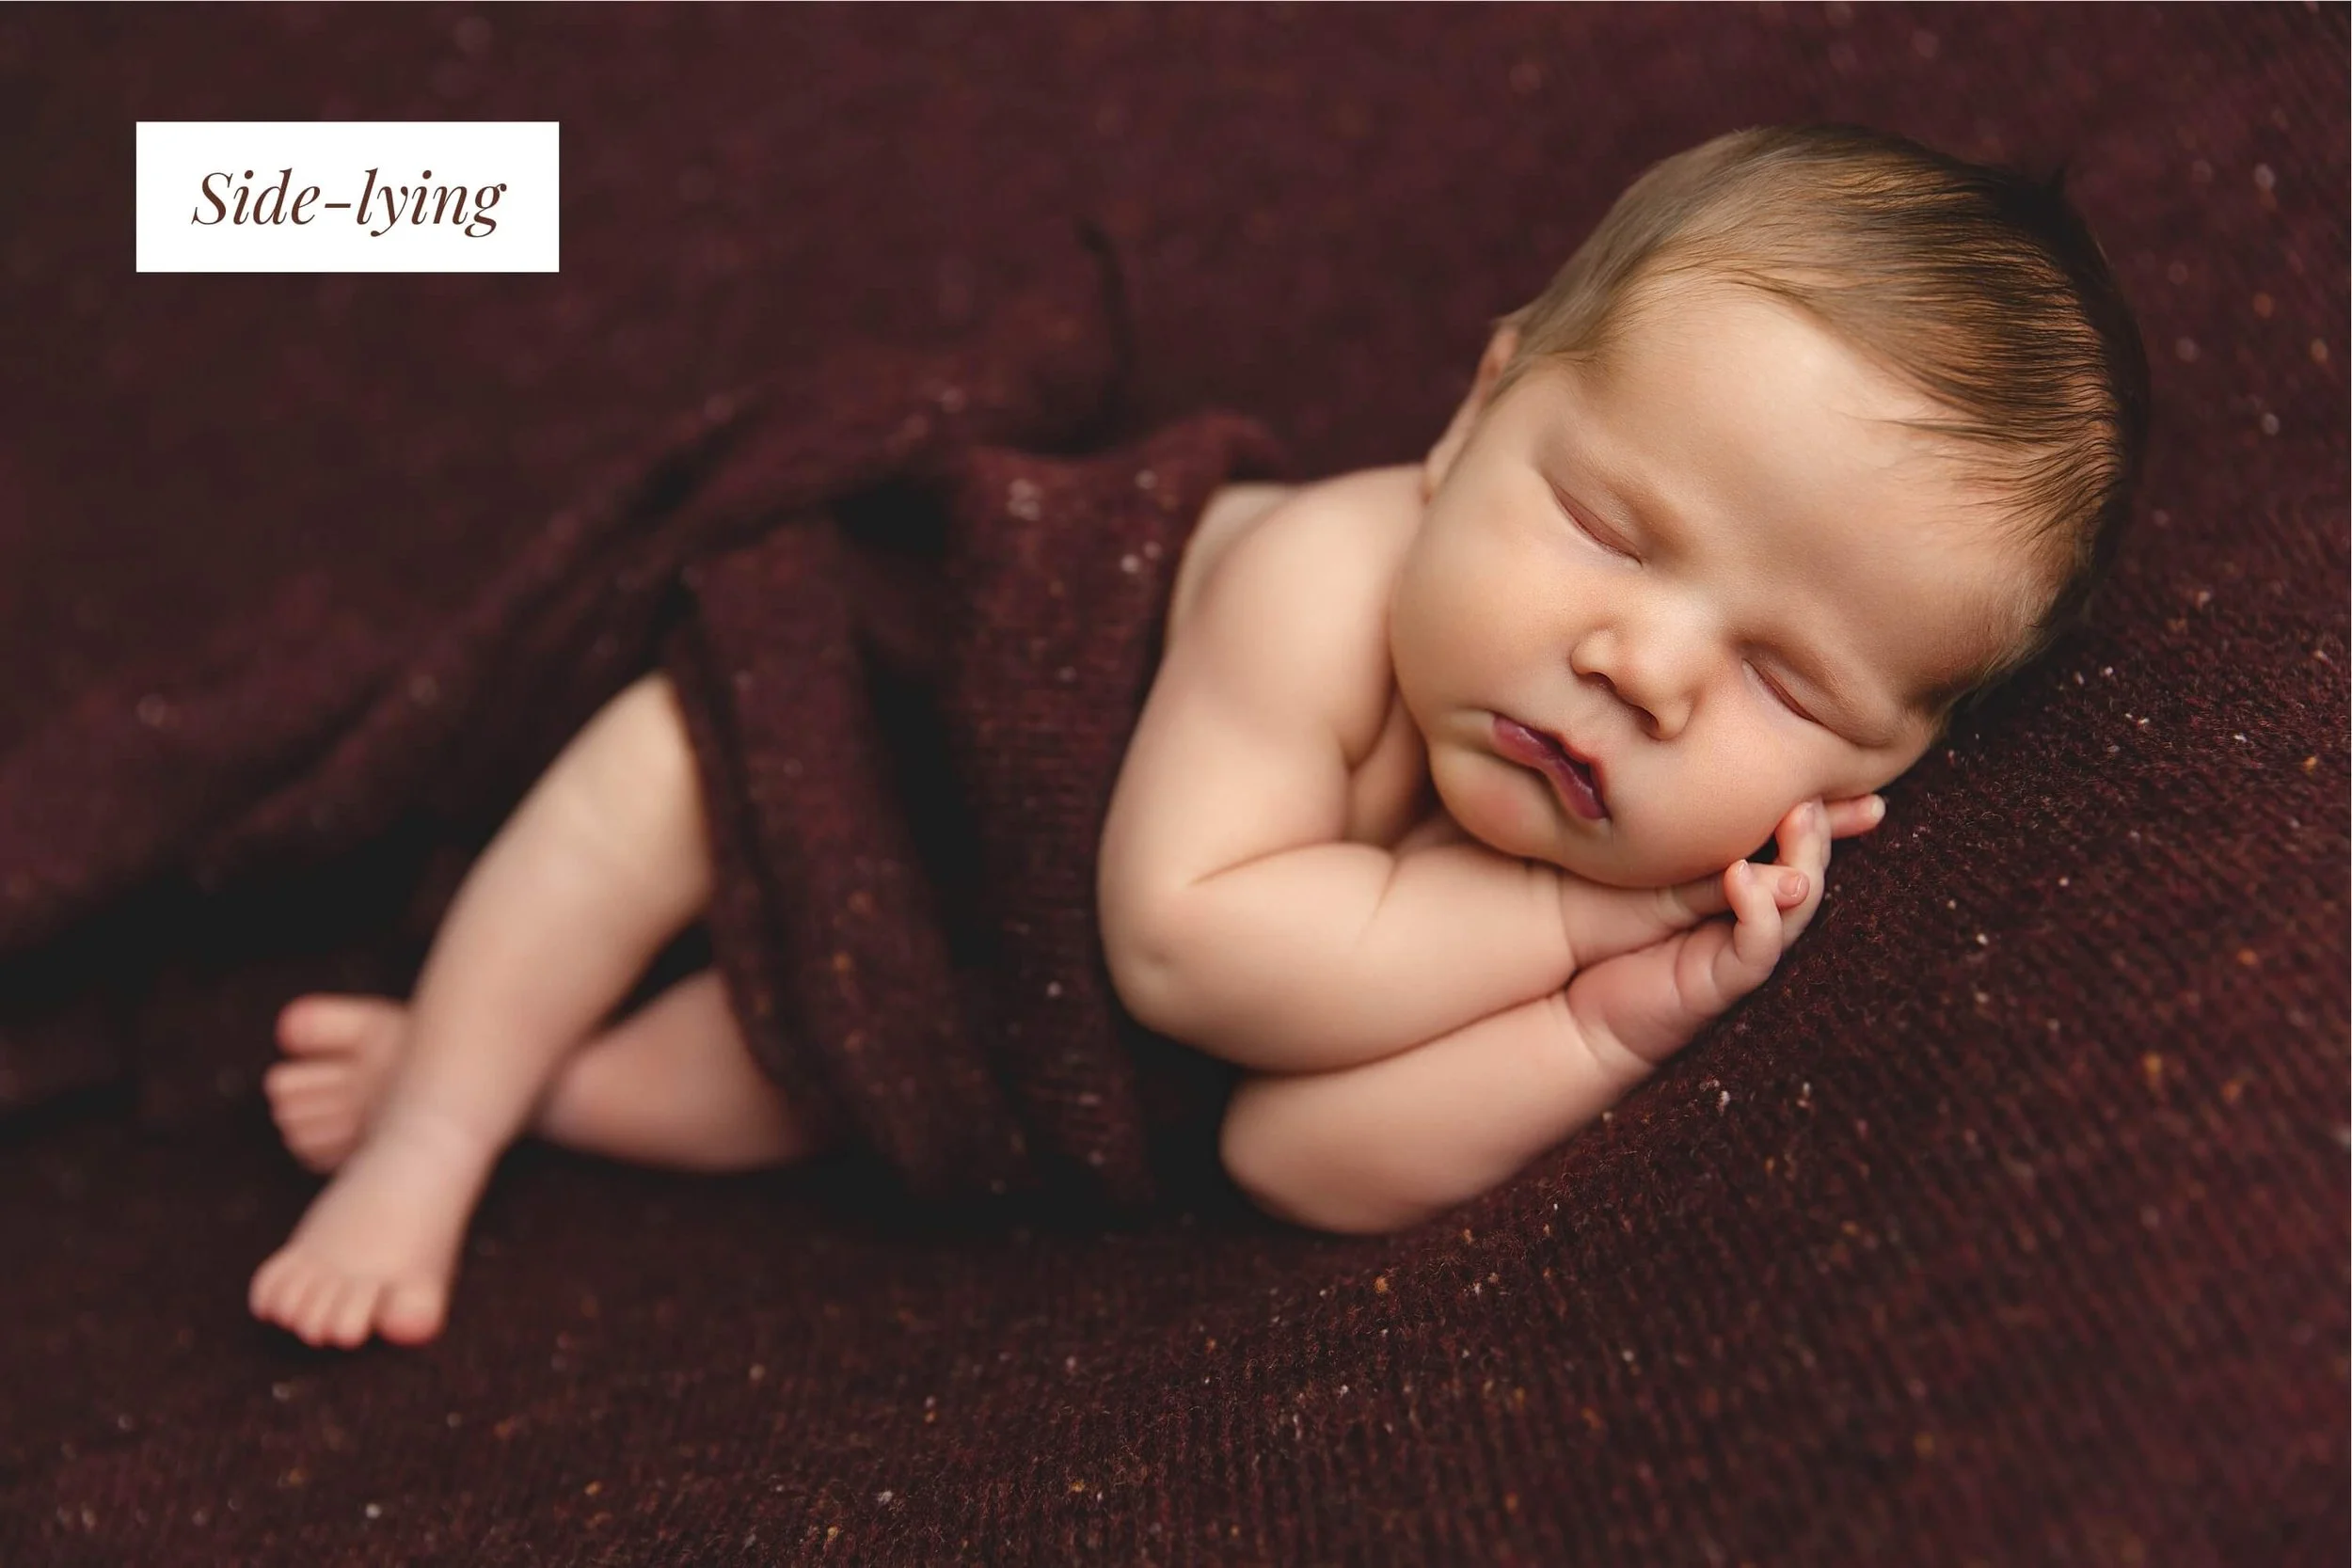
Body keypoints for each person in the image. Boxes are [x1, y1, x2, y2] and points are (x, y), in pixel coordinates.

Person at [248, 123, 2148, 1347]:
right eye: (1608, 525)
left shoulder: (1602, 868)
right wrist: (1559, 939)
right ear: (1476, 414)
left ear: (1868, 773)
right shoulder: (1333, 574)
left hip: (968, 1017)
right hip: (889, 733)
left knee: (778, 1084)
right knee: (646, 783)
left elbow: (1292, 1156)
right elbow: (1186, 945)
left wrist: (1608, 1024)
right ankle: (432, 1134)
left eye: (1785, 682)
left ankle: (529, 1076)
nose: (1639, 665)